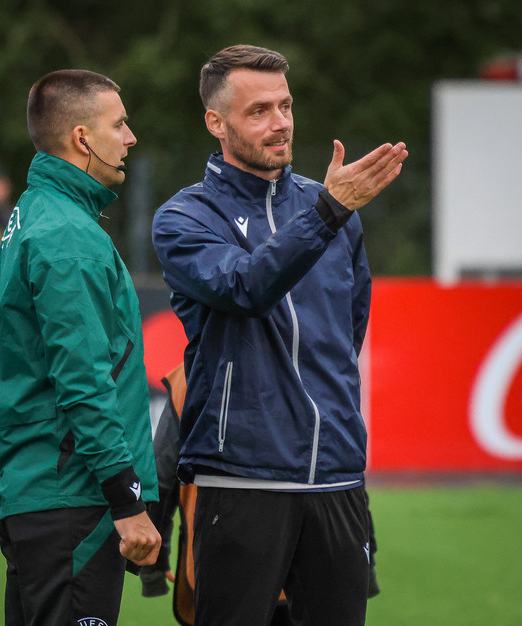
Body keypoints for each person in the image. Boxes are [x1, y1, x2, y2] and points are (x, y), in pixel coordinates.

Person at [152, 45, 407, 625]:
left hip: (337, 475)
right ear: (216, 122)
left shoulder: (332, 208)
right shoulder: (185, 216)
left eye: (286, 106)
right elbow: (244, 287)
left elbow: (348, 330)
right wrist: (327, 213)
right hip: (242, 477)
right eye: (259, 111)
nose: (281, 122)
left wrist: (330, 211)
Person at [0, 69, 161, 626]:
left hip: (42, 493)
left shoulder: (35, 211)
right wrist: (126, 499)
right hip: (71, 499)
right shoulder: (67, 235)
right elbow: (83, 380)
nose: (130, 137)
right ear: (82, 138)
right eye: (119, 124)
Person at [141, 363, 380, 626]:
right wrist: (365, 563)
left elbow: (161, 474)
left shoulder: (193, 373)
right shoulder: (320, 367)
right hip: (309, 562)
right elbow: (343, 472)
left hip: (228, 557)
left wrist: (152, 564)